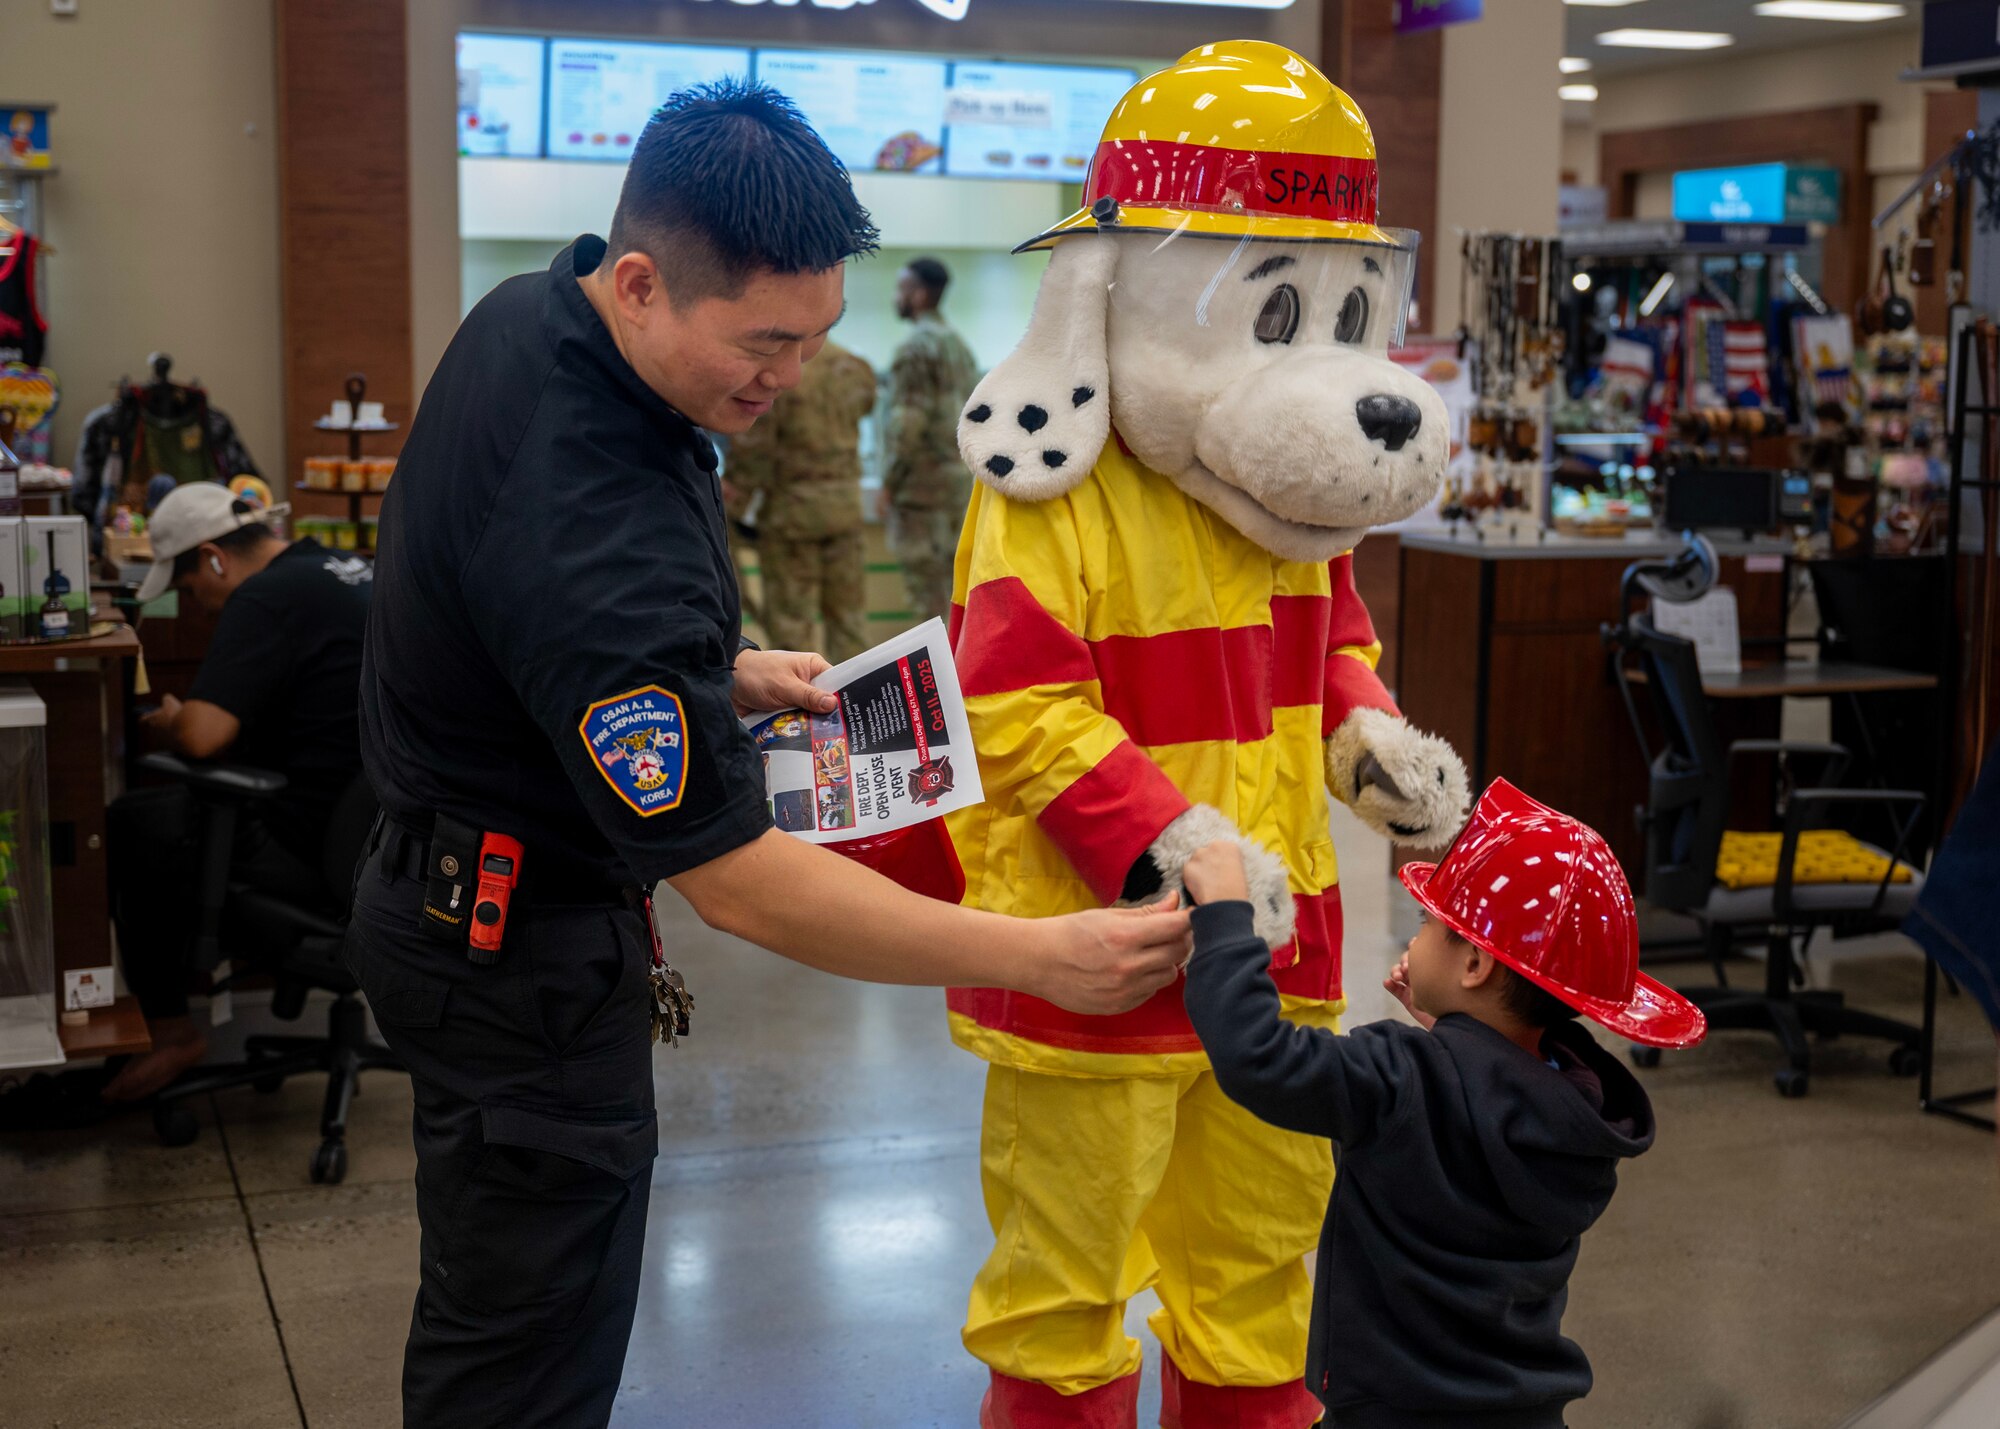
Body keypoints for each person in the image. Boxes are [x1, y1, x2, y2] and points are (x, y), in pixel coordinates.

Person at [348, 80, 1190, 1429]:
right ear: (639, 282)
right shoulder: (600, 524)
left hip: (455, 894)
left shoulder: (531, 312)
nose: (790, 378)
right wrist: (1040, 955)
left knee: (499, 1317)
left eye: (814, 338)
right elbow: (737, 883)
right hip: (518, 968)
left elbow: (505, 602)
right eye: (760, 342)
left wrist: (711, 679)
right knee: (524, 1354)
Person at [1182, 779, 1705, 1428]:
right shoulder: (1576, 1112)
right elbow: (1483, 1099)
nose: (1420, 928)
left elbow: (1258, 1055)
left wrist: (1227, 916)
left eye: (1433, 921)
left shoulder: (1401, 1076)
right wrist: (1453, 1038)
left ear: (1476, 965)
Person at [103, 482, 372, 1100]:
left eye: (193, 590)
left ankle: (173, 1032)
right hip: (380, 839)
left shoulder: (266, 596)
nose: (200, 608)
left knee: (137, 823)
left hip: (310, 843)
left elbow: (201, 735)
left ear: (214, 558)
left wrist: (168, 717)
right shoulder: (353, 569)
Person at [723, 335, 875, 664]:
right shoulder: (854, 366)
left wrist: (736, 490)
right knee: (848, 621)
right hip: (844, 508)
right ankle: (856, 705)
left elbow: (757, 446)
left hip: (793, 513)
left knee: (793, 625)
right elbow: (866, 409)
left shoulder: (781, 370)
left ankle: (801, 710)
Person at [882, 255, 977, 624]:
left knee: (929, 606)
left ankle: (938, 680)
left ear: (920, 295)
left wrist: (889, 482)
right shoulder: (960, 346)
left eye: (902, 289)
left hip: (921, 495)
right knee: (956, 600)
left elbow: (907, 423)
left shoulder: (914, 348)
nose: (897, 298)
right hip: (957, 488)